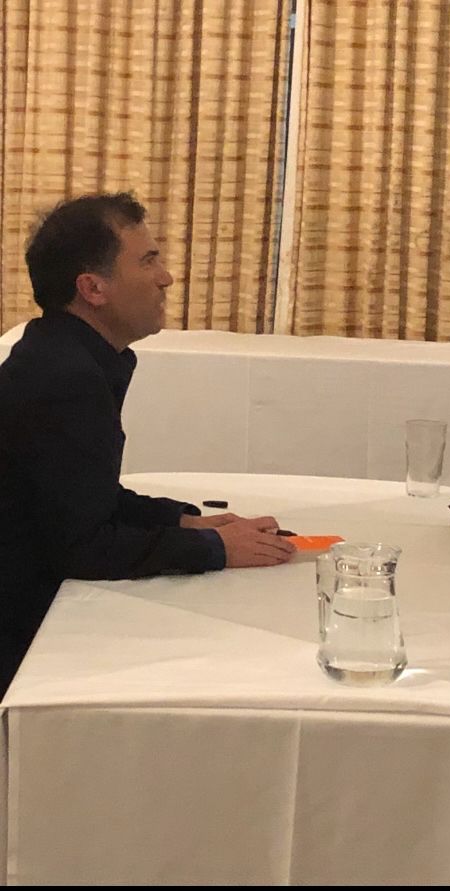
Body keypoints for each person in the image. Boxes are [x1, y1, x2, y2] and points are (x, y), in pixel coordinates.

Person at [0, 192, 295, 698]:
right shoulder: (65, 376)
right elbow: (84, 547)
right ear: (92, 288)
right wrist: (215, 548)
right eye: (148, 260)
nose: (166, 277)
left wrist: (183, 520)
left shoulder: (68, 353)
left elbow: (81, 498)